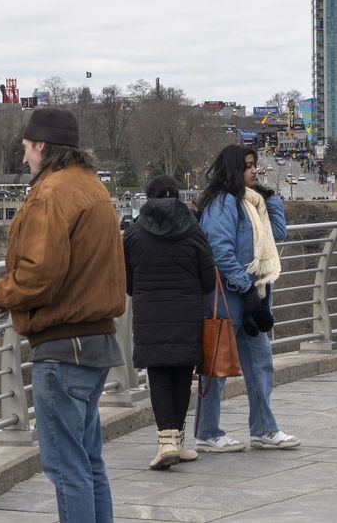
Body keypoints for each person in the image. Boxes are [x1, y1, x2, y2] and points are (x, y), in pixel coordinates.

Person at [0, 108, 127, 522]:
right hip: (97, 341)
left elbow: (38, 274)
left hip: (64, 348)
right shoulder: (92, 186)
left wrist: (0, 296)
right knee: (88, 462)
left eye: (27, 148)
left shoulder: (51, 193)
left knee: (66, 468)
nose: (25, 157)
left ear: (43, 146)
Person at [194, 144, 300, 452]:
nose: (255, 170)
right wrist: (245, 286)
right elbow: (219, 251)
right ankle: (208, 431)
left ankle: (264, 429)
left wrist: (271, 198)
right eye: (249, 166)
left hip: (250, 295)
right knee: (217, 365)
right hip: (227, 296)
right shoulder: (224, 203)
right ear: (234, 170)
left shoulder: (253, 203)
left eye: (255, 164)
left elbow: (278, 234)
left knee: (260, 363)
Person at [123, 175, 216, 470]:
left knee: (159, 375)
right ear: (177, 195)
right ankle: (176, 438)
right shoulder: (193, 230)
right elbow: (208, 278)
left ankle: (167, 442)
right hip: (186, 313)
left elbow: (128, 283)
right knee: (181, 374)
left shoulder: (134, 234)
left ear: (147, 197)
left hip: (150, 315)